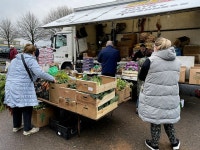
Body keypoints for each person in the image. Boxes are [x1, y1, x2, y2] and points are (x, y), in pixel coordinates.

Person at [138, 37, 181, 150]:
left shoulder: (150, 61)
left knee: (156, 119)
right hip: (170, 95)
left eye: (154, 46)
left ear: (156, 47)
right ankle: (174, 143)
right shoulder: (177, 61)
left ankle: (155, 144)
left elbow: (141, 77)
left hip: (154, 96)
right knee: (168, 119)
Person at [4, 44, 56, 136]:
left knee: (16, 105)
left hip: (10, 85)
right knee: (27, 106)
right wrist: (52, 78)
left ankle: (16, 126)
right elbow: (39, 73)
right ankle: (27, 129)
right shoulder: (31, 60)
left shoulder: (15, 59)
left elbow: (9, 73)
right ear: (33, 52)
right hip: (22, 86)